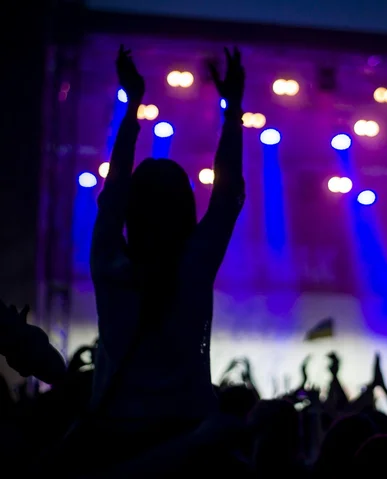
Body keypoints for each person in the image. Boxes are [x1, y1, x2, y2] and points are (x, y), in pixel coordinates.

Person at [88, 44, 245, 461]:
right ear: (186, 210)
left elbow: (114, 189)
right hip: (185, 446)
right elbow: (228, 196)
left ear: (130, 212)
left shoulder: (109, 264)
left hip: (113, 444)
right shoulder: (193, 268)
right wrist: (232, 111)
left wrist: (132, 106)